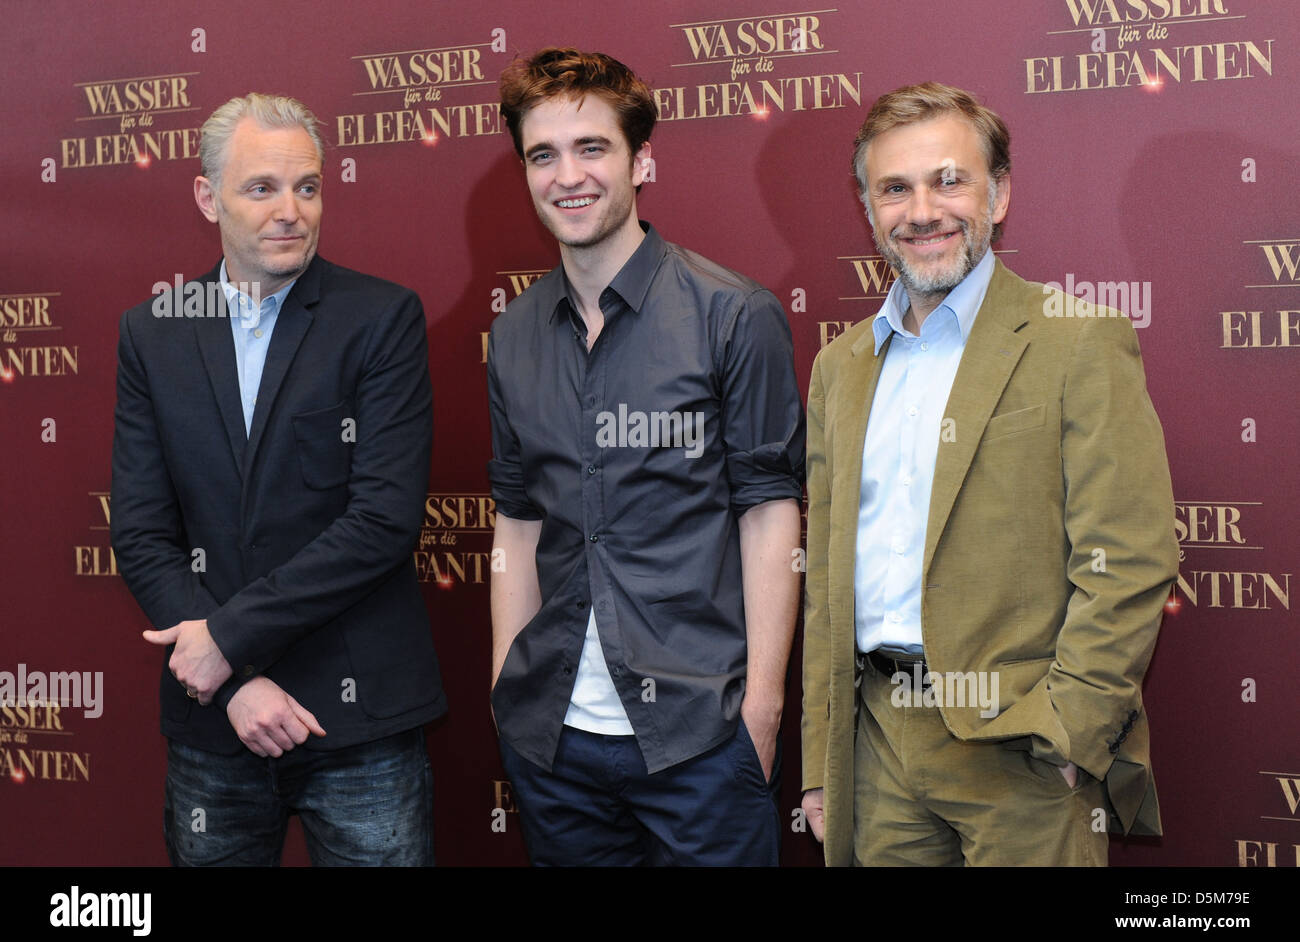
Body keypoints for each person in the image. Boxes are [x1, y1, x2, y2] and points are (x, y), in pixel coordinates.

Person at [800, 82, 1178, 866]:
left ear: (999, 193)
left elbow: (1131, 560)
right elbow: (826, 581)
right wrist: (819, 762)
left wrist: (1068, 729)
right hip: (875, 745)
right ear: (869, 209)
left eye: (950, 180)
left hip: (1022, 752)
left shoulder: (1076, 339)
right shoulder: (840, 366)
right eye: (894, 188)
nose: (923, 211)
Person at [487, 48, 805, 866]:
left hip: (701, 740)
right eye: (543, 154)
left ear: (642, 160)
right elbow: (517, 522)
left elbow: (770, 514)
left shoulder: (734, 315)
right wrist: (504, 692)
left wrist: (761, 713)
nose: (569, 176)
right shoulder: (515, 335)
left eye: (593, 148)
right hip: (554, 742)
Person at [111, 93, 445, 866]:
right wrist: (231, 685)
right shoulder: (151, 333)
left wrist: (226, 640)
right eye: (261, 188)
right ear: (208, 196)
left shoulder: (381, 319)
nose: (290, 211)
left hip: (361, 725)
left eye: (307, 187)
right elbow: (140, 531)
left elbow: (382, 524)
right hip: (213, 724)